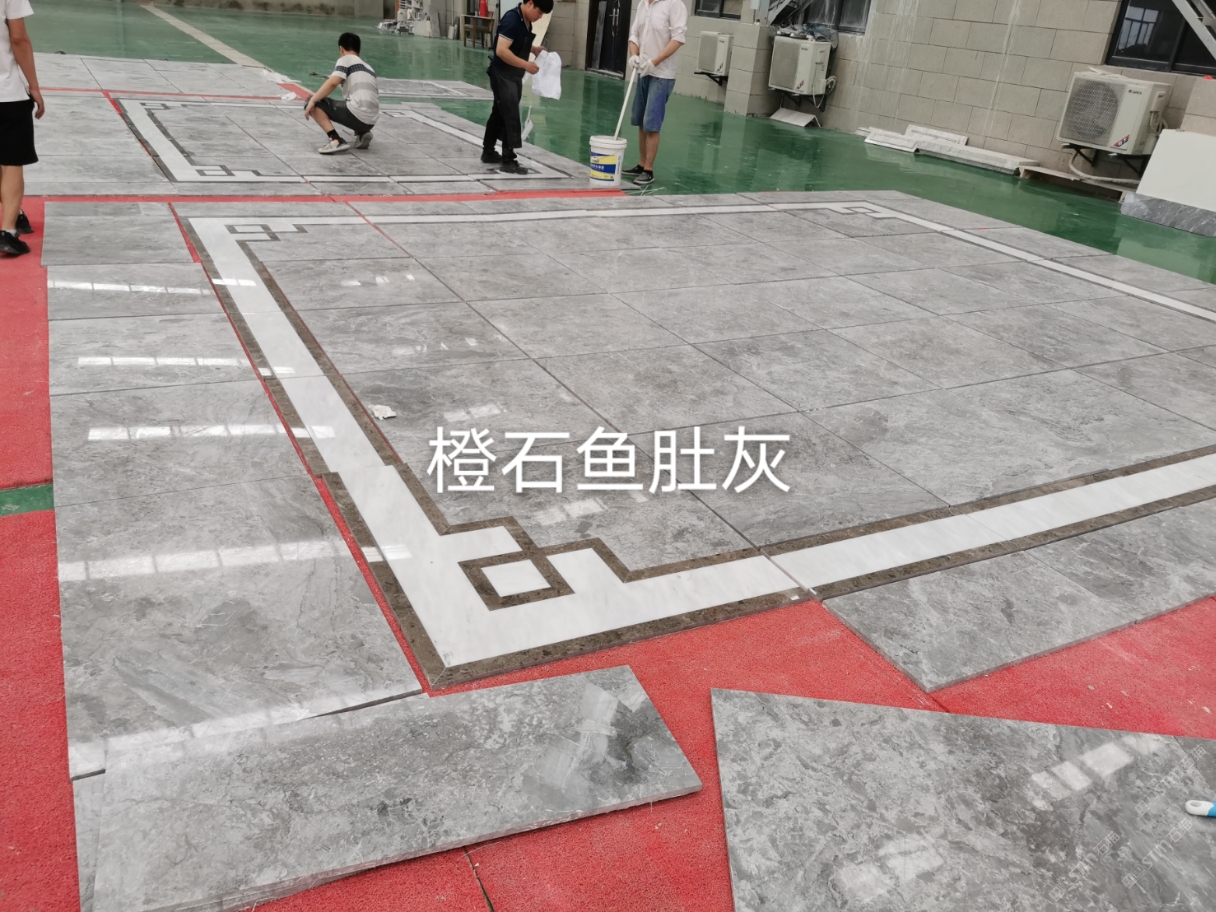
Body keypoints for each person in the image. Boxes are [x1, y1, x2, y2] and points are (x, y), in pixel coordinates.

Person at [482, 0, 552, 175]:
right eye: (539, 12)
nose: (540, 17)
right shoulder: (512, 20)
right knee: (510, 114)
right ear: (530, 4)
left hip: (513, 75)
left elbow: (517, 42)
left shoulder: (525, 20)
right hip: (502, 75)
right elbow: (502, 50)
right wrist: (525, 64)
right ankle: (508, 160)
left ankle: (488, 152)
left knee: (499, 113)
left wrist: (533, 49)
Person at [624, 0, 686, 186]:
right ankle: (641, 164)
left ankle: (649, 171)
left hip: (661, 75)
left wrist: (655, 61)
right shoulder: (643, 4)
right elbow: (634, 35)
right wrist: (634, 55)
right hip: (643, 71)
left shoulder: (674, 4)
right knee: (641, 121)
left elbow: (678, 38)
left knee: (652, 123)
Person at [0, 0, 43, 257]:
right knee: (11, 160)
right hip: (5, 91)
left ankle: (15, 213)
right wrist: (34, 85)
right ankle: (8, 231)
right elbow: (18, 38)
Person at [304, 32, 379, 155]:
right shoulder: (369, 68)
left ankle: (335, 139)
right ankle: (362, 133)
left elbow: (333, 83)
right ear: (359, 51)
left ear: (341, 49)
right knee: (355, 102)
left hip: (357, 114)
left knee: (314, 102)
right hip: (371, 120)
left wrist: (312, 100)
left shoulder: (345, 60)